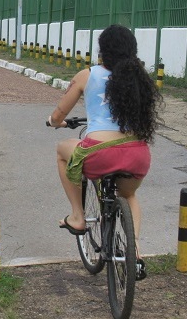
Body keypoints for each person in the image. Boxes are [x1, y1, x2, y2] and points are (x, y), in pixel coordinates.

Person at [47, 24, 162, 279]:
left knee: (61, 152)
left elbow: (59, 115)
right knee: (129, 195)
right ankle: (135, 251)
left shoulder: (88, 75)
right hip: (137, 153)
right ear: (132, 50)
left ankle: (77, 215)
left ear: (103, 51)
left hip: (98, 152)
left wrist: (55, 122)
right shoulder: (140, 77)